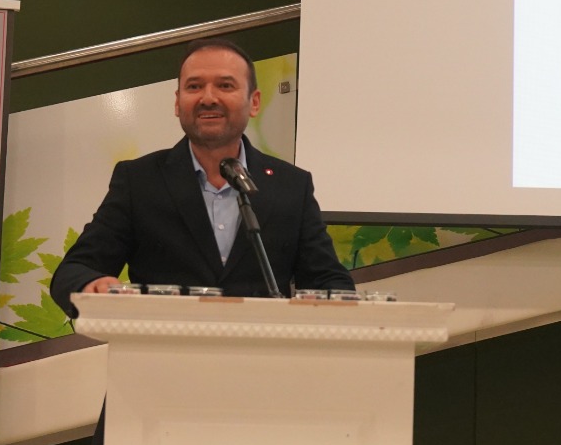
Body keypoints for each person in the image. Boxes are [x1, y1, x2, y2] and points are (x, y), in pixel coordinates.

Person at [50, 38, 354, 318]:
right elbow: (74, 271)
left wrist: (333, 309)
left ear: (254, 102)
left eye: (225, 85)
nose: (208, 98)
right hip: (163, 352)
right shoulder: (139, 181)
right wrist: (93, 285)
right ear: (177, 102)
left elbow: (329, 280)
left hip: (262, 353)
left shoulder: (291, 185)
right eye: (194, 87)